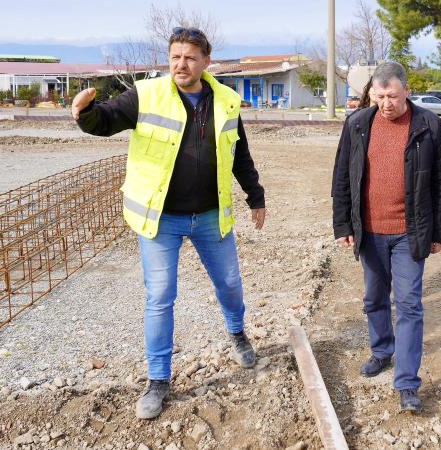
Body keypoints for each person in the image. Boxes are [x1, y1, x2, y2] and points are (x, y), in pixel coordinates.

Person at [72, 27, 266, 420]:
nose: (181, 64)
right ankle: (158, 379)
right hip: (160, 219)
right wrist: (85, 113)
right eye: (176, 56)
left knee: (230, 283)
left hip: (210, 215)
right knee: (160, 297)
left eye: (190, 57)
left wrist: (255, 195)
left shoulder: (226, 101)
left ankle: (237, 332)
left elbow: (239, 153)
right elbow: (106, 120)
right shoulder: (146, 94)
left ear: (206, 62)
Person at [332, 61, 441, 412]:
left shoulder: (428, 125)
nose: (386, 103)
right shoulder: (357, 124)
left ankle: (407, 383)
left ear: (407, 92)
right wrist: (343, 225)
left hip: (408, 233)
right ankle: (382, 350)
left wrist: (439, 232)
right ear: (372, 93)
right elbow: (342, 177)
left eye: (393, 96)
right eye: (380, 96)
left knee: (410, 305)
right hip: (369, 232)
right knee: (374, 299)